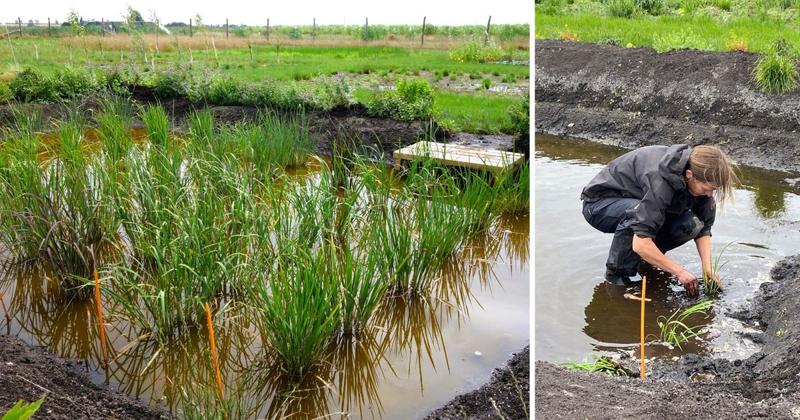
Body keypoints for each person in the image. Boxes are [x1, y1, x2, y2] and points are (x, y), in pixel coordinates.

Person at [581, 144, 737, 296]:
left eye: (713, 190)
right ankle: (618, 277)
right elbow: (640, 242)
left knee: (690, 223)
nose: (709, 194)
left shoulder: (699, 178)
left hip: (640, 202)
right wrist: (679, 272)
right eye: (706, 189)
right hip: (599, 205)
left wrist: (707, 268)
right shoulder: (661, 181)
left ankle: (648, 259)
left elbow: (703, 227)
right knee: (637, 215)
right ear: (689, 175)